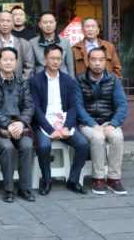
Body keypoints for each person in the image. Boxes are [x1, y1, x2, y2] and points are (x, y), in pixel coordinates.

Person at [30, 44, 89, 196]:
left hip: (63, 122)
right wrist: (50, 130)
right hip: (43, 123)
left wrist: (67, 127)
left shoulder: (68, 80)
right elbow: (36, 110)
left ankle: (73, 180)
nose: (56, 61)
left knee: (83, 144)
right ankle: (46, 181)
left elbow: (73, 106)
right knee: (44, 146)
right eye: (52, 58)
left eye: (58, 58)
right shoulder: (35, 81)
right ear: (45, 59)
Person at [75, 47, 128, 195]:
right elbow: (78, 107)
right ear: (88, 61)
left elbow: (122, 104)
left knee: (117, 137)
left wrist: (113, 124)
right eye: (94, 60)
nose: (97, 63)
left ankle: (113, 178)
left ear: (105, 62)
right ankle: (97, 178)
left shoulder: (113, 80)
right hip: (87, 123)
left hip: (108, 122)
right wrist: (93, 125)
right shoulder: (79, 80)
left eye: (101, 60)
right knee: (97, 138)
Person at [0, 47, 36, 203]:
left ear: (16, 62)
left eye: (12, 59)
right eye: (5, 59)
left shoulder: (22, 83)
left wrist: (21, 122)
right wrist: (8, 124)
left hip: (20, 126)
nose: (8, 62)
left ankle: (25, 188)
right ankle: (8, 189)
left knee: (27, 146)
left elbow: (29, 106)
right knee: (7, 148)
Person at [0, 11, 34, 82]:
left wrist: (20, 84)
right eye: (2, 21)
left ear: (13, 24)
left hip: (20, 85)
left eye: (8, 21)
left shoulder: (24, 43)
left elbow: (29, 67)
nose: (5, 24)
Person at [29, 11, 75, 77]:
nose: (48, 25)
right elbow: (31, 67)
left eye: (51, 22)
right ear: (40, 25)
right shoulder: (32, 43)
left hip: (62, 77)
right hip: (41, 78)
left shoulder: (65, 41)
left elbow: (70, 65)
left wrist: (71, 80)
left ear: (55, 24)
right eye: (45, 22)